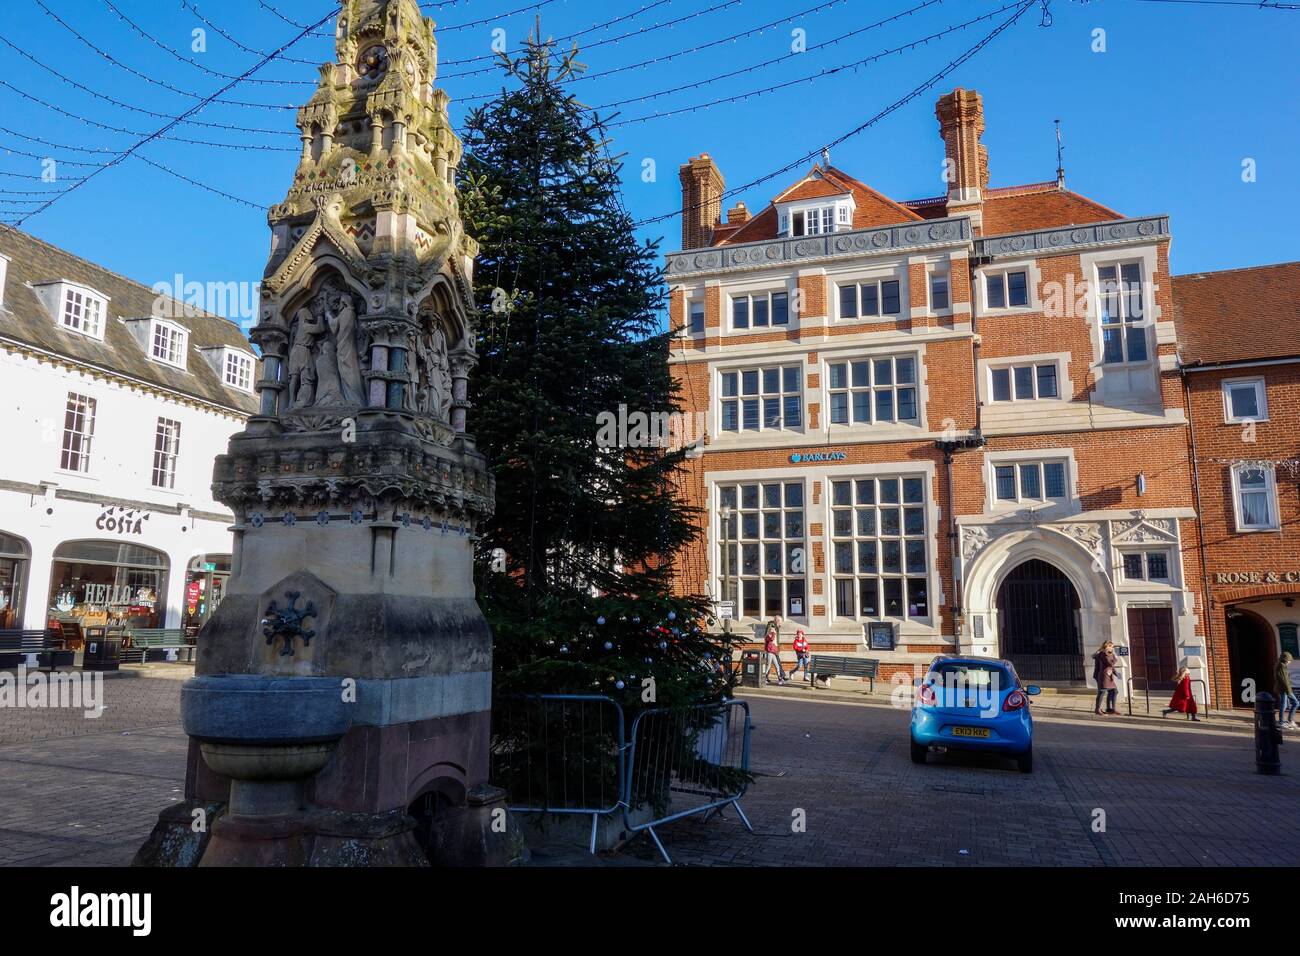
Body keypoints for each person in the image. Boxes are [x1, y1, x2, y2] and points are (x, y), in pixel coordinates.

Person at [1092, 641, 1119, 715]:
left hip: (1109, 675)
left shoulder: (1109, 653)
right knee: (1102, 692)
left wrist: (1116, 673)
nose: (1112, 648)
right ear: (1107, 646)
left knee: (1114, 691)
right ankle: (1097, 709)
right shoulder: (1103, 654)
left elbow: (1111, 666)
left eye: (1112, 647)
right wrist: (1115, 658)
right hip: (1104, 676)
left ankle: (1111, 709)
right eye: (1111, 646)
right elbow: (1110, 663)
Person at [1275, 652, 1298, 729]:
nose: (1290, 662)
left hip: (1285, 689)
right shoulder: (1281, 666)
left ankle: (1288, 721)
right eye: (1289, 660)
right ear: (1285, 660)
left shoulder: (1282, 666)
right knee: (1293, 703)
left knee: (1288, 704)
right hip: (1284, 689)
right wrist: (1289, 691)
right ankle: (1282, 722)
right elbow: (1284, 680)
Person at [763, 619, 785, 686]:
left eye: (773, 629)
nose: (773, 630)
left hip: (773, 652)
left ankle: (780, 679)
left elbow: (775, 642)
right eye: (772, 629)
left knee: (777, 665)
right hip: (769, 652)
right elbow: (771, 639)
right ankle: (763, 678)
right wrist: (773, 633)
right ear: (770, 630)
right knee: (768, 665)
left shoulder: (773, 635)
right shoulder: (768, 636)